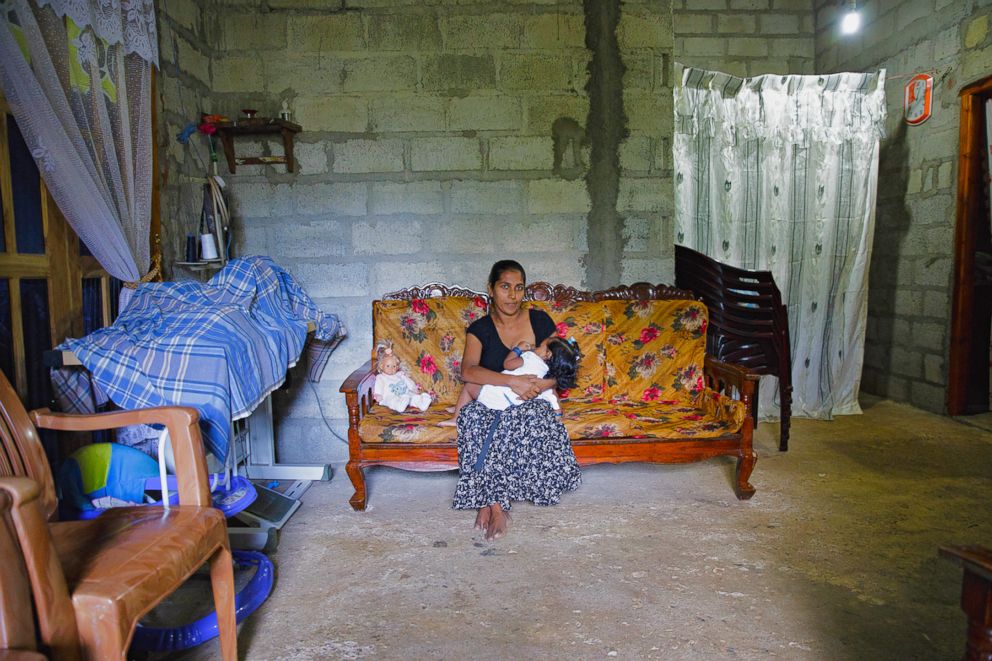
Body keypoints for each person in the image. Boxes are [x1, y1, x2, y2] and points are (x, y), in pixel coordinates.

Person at [451, 260, 582, 541]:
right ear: (491, 289)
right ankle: (495, 506)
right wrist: (514, 381)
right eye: (505, 287)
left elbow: (563, 366)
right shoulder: (479, 329)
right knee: (474, 419)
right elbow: (468, 371)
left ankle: (488, 503)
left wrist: (536, 386)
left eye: (519, 287)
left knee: (522, 420)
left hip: (533, 400)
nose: (512, 295)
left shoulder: (540, 321)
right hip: (496, 396)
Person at [440, 336, 580, 422]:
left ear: (547, 354)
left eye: (540, 346)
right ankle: (464, 407)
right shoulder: (547, 376)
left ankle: (456, 417)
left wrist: (517, 350)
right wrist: (558, 415)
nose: (535, 347)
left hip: (499, 395)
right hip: (513, 409)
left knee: (470, 386)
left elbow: (508, 364)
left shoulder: (530, 357)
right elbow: (554, 401)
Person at [371, 341, 432, 413]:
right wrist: (378, 394)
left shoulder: (399, 375)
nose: (391, 368)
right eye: (388, 366)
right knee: (391, 400)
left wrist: (413, 388)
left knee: (412, 397)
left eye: (394, 366)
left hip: (405, 395)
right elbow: (378, 386)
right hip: (389, 396)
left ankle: (422, 403)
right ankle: (399, 406)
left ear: (397, 367)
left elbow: (408, 382)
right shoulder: (381, 377)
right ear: (381, 366)